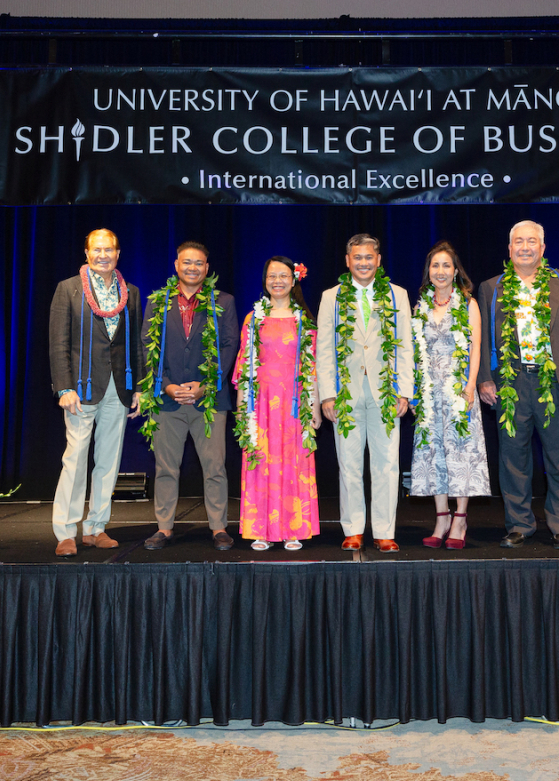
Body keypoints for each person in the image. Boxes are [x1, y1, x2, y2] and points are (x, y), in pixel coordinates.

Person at [478, 220, 559, 550]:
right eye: (519, 241)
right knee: (513, 459)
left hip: (555, 383)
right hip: (511, 384)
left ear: (543, 248)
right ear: (510, 248)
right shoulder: (493, 287)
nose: (526, 246)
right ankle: (519, 524)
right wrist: (485, 379)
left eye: (532, 241)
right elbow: (483, 337)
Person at [48, 228, 143, 557]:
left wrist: (139, 387)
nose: (103, 255)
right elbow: (59, 342)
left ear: (118, 254)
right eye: (97, 249)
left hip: (119, 387)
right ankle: (66, 531)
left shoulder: (129, 291)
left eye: (109, 249)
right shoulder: (69, 289)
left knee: (108, 462)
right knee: (74, 461)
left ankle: (96, 527)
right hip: (81, 389)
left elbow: (135, 346)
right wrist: (64, 386)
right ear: (86, 254)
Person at [316, 233, 414, 552]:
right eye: (357, 258)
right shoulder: (332, 296)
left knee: (387, 465)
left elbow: (406, 347)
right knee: (349, 464)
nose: (363, 263)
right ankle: (354, 528)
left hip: (386, 393)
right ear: (348, 261)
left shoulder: (397, 295)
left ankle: (385, 531)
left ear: (378, 260)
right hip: (346, 394)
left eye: (368, 257)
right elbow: (325, 350)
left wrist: (405, 392)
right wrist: (327, 394)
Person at [140, 241, 239, 551]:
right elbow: (147, 347)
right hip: (167, 399)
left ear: (206, 268)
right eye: (187, 262)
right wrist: (166, 385)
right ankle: (165, 528)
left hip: (208, 401)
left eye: (199, 263)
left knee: (215, 467)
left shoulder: (223, 301)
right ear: (176, 265)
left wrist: (205, 385)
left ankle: (219, 527)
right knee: (166, 467)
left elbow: (229, 346)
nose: (192, 268)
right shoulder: (157, 302)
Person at [231, 257, 322, 551]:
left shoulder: (303, 320)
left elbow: (312, 368)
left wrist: (315, 408)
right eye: (272, 276)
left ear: (294, 280)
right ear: (265, 281)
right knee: (260, 461)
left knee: (294, 461)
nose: (278, 281)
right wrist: (243, 408)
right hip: (261, 403)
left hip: (295, 403)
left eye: (283, 275)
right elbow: (243, 367)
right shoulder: (253, 318)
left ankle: (294, 529)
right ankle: (261, 529)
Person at [409, 242, 490, 550]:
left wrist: (470, 386)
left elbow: (476, 348)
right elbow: (416, 352)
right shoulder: (421, 305)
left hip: (458, 391)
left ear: (456, 271)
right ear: (428, 272)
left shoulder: (467, 304)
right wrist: (416, 391)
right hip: (430, 394)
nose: (440, 271)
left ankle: (460, 519)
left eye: (446, 266)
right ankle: (441, 517)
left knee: (461, 454)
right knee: (434, 456)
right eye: (435, 266)